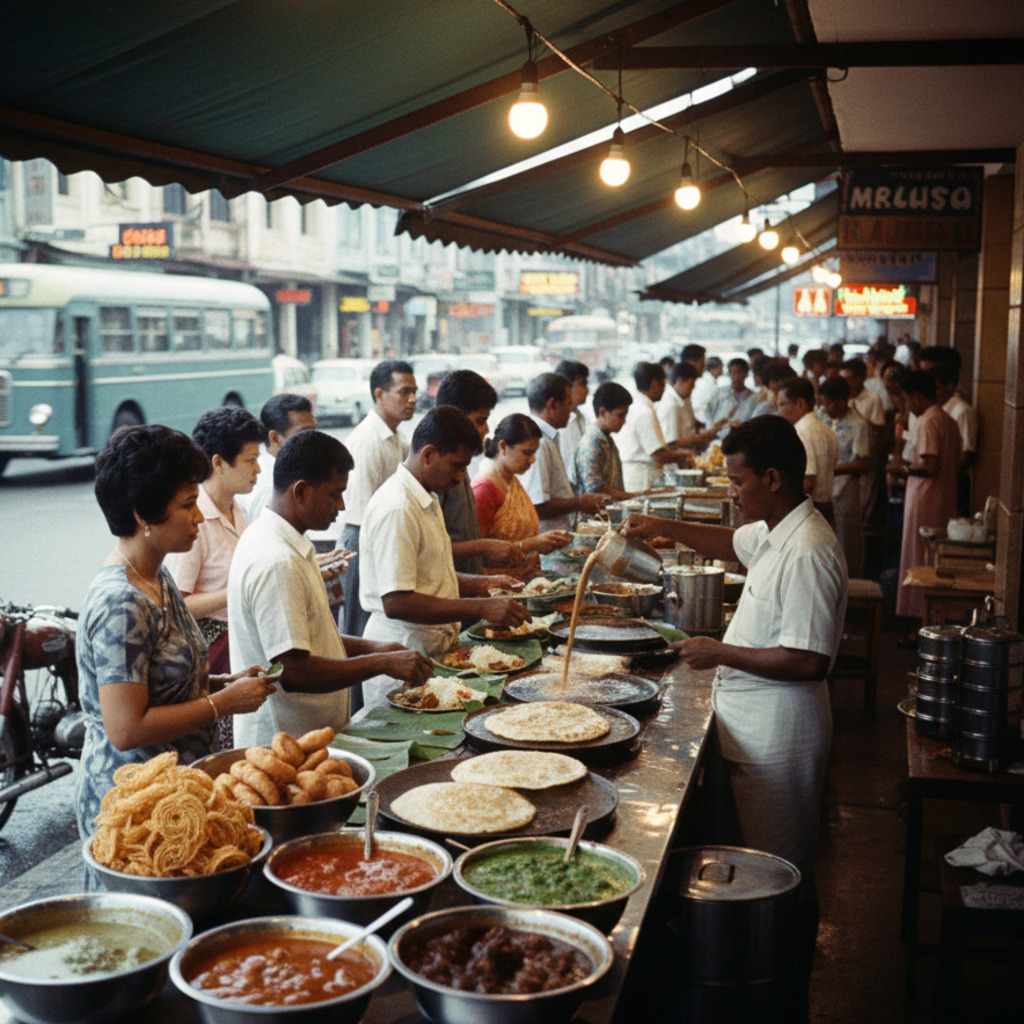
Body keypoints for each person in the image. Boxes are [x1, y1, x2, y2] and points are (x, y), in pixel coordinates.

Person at [622, 414, 846, 991]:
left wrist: (720, 652)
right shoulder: (776, 530)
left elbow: (809, 660)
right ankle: (756, 966)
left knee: (781, 870)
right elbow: (729, 543)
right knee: (757, 860)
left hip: (781, 733)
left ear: (773, 477)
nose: (731, 491)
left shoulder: (810, 550)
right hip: (750, 723)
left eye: (738, 481)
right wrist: (658, 525)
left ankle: (784, 980)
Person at [75, 425, 275, 841]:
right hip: (135, 806)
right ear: (143, 515)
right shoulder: (122, 602)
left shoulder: (157, 575)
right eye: (188, 505)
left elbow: (161, 686)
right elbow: (127, 728)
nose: (199, 515)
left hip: (176, 792)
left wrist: (221, 682)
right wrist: (221, 703)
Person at [228, 429, 433, 745]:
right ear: (300, 492)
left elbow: (307, 638)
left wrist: (375, 647)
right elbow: (295, 672)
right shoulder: (276, 559)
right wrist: (381, 663)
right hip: (284, 742)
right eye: (335, 494)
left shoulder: (287, 541)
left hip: (311, 734)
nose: (341, 507)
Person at [359, 406, 531, 707]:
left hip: (431, 647)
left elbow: (433, 573)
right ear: (427, 455)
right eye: (456, 466)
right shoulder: (397, 507)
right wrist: (481, 606)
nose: (461, 476)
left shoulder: (426, 495)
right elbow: (397, 601)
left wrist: (483, 584)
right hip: (405, 648)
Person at [165, 406, 263, 681]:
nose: (258, 469)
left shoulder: (239, 510)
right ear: (218, 463)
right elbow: (177, 606)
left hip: (242, 639)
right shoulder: (194, 519)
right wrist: (239, 591)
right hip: (212, 652)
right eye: (250, 460)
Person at [339, 359, 417, 637]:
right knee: (361, 629)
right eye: (404, 392)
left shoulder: (396, 436)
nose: (412, 399)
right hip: (362, 540)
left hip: (381, 538)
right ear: (379, 394)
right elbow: (360, 512)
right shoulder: (366, 441)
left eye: (414, 392)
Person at [890, 371, 961, 631]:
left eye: (908, 400)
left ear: (917, 396)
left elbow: (930, 465)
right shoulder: (947, 420)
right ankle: (927, 622)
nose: (908, 406)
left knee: (918, 558)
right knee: (930, 559)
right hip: (942, 497)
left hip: (926, 499)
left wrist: (903, 469)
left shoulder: (928, 421)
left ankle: (919, 624)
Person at [434, 370, 516, 575]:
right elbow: (428, 552)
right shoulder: (435, 471)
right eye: (480, 421)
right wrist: (484, 547)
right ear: (455, 417)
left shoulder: (459, 464)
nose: (486, 429)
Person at [472, 414, 573, 578]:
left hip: (525, 582)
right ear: (503, 447)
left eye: (534, 453)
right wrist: (530, 544)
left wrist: (543, 542)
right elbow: (475, 556)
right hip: (498, 589)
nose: (532, 460)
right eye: (527, 453)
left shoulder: (510, 479)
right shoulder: (484, 489)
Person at [520, 373, 610, 532]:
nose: (571, 411)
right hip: (546, 542)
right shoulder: (538, 442)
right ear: (552, 404)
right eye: (568, 405)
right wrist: (580, 502)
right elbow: (537, 505)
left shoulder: (549, 437)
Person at [818, 377, 871, 576]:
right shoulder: (822, 417)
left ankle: (849, 585)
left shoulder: (858, 425)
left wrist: (832, 470)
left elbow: (863, 463)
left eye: (829, 403)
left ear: (843, 401)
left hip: (846, 491)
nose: (826, 407)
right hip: (824, 491)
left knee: (845, 541)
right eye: (823, 402)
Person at [237, 393, 316, 520]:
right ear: (275, 438)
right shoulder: (268, 487)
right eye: (304, 433)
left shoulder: (295, 473)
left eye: (314, 431)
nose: (315, 440)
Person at [617, 361, 690, 491]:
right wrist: (684, 455)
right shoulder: (644, 411)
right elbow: (657, 454)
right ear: (655, 383)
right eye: (663, 384)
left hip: (636, 477)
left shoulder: (638, 405)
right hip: (641, 480)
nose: (664, 389)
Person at [777, 377, 839, 525]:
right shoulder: (827, 430)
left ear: (800, 404)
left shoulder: (801, 431)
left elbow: (808, 480)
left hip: (809, 511)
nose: (779, 411)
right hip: (827, 507)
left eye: (782, 404)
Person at [575, 381, 633, 499]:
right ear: (602, 412)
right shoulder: (590, 444)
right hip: (595, 517)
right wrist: (636, 496)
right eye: (620, 416)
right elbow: (596, 490)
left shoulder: (606, 439)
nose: (624, 421)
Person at [658, 362, 724, 447]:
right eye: (691, 384)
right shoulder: (671, 405)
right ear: (680, 381)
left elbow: (692, 422)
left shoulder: (684, 398)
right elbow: (671, 443)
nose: (693, 388)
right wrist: (702, 437)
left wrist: (712, 428)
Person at [554, 360, 589, 488]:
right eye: (582, 384)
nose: (587, 390)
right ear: (566, 387)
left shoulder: (581, 418)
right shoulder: (561, 421)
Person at [706, 357, 759, 436]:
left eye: (738, 372)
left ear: (746, 374)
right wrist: (711, 431)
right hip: (716, 439)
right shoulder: (720, 393)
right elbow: (708, 413)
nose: (735, 376)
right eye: (732, 373)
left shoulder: (753, 398)